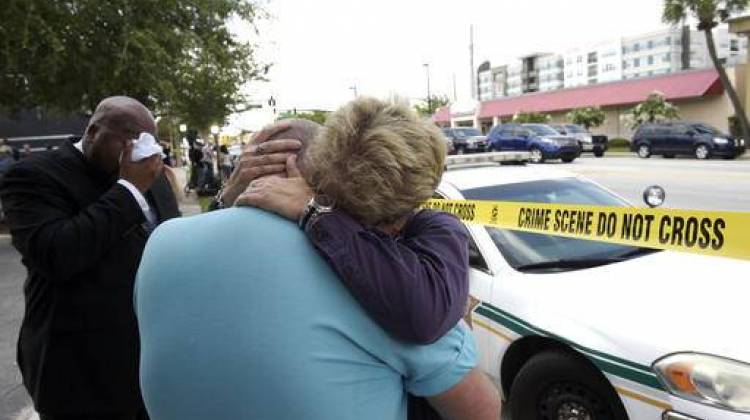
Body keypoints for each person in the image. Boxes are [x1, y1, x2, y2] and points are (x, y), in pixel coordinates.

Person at [135, 100, 500, 420]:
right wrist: (461, 326)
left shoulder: (161, 244)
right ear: (320, 175)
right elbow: (481, 410)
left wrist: (225, 200)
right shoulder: (364, 266)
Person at [0, 96, 181, 420]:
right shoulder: (33, 176)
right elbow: (56, 254)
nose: (133, 151)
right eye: (126, 140)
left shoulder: (151, 177)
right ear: (95, 131)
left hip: (149, 359)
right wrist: (128, 190)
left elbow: (171, 243)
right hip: (77, 368)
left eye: (142, 142)